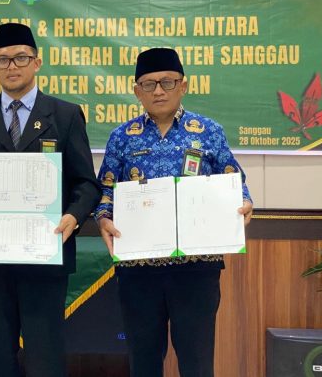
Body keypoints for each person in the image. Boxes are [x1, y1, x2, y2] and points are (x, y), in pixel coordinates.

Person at [0, 23, 102, 377]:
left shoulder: (65, 115)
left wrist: (73, 216)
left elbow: (86, 183)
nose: (12, 66)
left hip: (46, 252)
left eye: (21, 58)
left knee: (45, 354)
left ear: (37, 62)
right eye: (3, 60)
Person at [94, 47, 254, 377]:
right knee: (143, 361)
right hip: (138, 269)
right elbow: (105, 190)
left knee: (197, 363)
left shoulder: (208, 131)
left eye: (167, 82)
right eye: (148, 84)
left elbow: (233, 180)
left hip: (196, 269)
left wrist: (244, 202)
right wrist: (103, 218)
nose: (158, 91)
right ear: (137, 90)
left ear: (183, 85)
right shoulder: (122, 137)